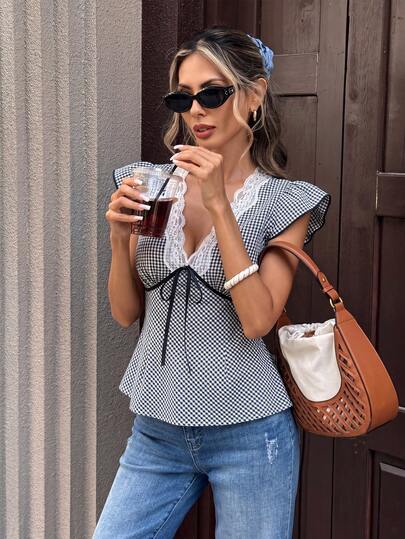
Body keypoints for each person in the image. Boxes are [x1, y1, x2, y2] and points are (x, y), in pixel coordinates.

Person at [94, 25, 331, 539]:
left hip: (250, 430)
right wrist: (117, 239)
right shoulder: (150, 184)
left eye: (213, 93)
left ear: (254, 95)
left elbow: (257, 320)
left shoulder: (284, 203)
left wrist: (220, 204)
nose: (196, 110)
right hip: (157, 429)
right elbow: (125, 313)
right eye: (183, 97)